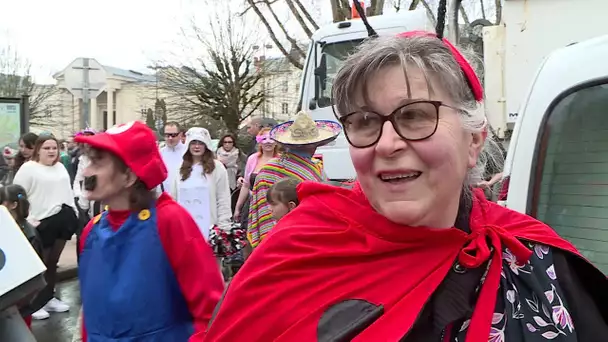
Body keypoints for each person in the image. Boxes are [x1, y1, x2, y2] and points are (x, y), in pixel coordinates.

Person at [204, 32, 607, 341]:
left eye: (415, 115)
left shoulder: (531, 257)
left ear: (474, 141)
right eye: (364, 121)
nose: (387, 143)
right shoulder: (299, 248)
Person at [74, 121, 223, 341]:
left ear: (129, 176)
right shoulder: (91, 231)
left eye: (97, 163)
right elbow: (91, 318)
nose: (86, 172)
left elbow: (209, 310)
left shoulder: (170, 221)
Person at [246, 111, 341, 248]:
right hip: (310, 242)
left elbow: (264, 215)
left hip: (275, 244)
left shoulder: (267, 172)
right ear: (315, 144)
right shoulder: (317, 171)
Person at [13, 135, 80, 320]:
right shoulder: (28, 169)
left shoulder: (60, 167)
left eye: (54, 148)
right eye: (46, 148)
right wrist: (29, 218)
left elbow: (67, 190)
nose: (51, 151)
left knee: (52, 264)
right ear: (38, 150)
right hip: (40, 222)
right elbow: (18, 195)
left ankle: (49, 297)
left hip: (62, 219)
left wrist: (73, 212)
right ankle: (34, 303)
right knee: (40, 264)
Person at [170, 127, 232, 240]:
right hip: (184, 229)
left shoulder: (217, 168)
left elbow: (223, 199)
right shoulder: (179, 168)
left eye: (200, 143)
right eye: (193, 143)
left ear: (206, 145)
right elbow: (173, 199)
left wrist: (224, 227)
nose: (197, 146)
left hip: (209, 229)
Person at [0, 184, 44, 328]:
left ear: (13, 205)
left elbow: (34, 273)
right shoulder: (6, 227)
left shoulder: (28, 234)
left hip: (19, 303)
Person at [233, 128, 280, 228]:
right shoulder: (252, 159)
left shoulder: (281, 160)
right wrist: (238, 208)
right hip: (252, 206)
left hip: (274, 207)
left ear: (276, 142)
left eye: (271, 138)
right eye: (264, 139)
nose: (267, 142)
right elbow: (246, 185)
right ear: (259, 142)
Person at [216, 133, 245, 212]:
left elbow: (244, 169)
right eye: (225, 142)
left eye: (230, 142)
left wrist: (240, 177)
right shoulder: (216, 155)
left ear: (233, 143)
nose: (227, 144)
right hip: (220, 184)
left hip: (236, 185)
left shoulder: (240, 155)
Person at [160, 122, 187, 194]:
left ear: (180, 135)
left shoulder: (188, 153)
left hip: (183, 195)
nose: (170, 138)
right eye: (167, 135)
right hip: (164, 196)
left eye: (173, 135)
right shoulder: (159, 154)